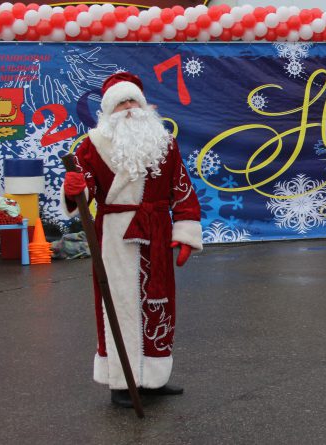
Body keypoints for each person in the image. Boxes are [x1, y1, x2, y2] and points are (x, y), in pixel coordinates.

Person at [61, 72, 202, 408]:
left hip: (155, 233)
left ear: (143, 105)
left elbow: (180, 188)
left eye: (132, 101)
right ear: (109, 111)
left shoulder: (165, 143)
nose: (127, 108)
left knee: (159, 306)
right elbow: (87, 187)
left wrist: (184, 232)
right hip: (115, 235)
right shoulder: (92, 145)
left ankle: (153, 378)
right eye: (120, 103)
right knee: (119, 305)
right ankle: (122, 382)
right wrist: (75, 190)